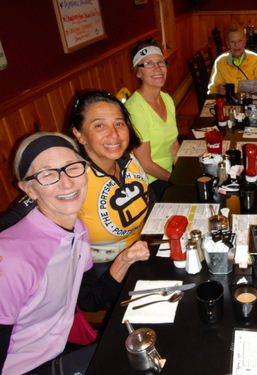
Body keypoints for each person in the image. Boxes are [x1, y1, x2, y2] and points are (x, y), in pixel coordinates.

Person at [0, 132, 149, 374]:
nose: (67, 182)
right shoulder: (12, 259)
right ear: (29, 189)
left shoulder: (77, 230)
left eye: (72, 167)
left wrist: (124, 259)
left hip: (56, 351)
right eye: (47, 174)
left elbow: (89, 300)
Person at [69, 90, 152, 275]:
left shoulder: (130, 162)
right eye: (99, 125)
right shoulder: (73, 181)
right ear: (79, 134)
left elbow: (149, 198)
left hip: (143, 250)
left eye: (119, 123)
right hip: (105, 271)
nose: (114, 134)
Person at [125, 37, 180, 200]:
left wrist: (186, 172)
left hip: (168, 173)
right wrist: (176, 180)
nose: (157, 68)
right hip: (148, 181)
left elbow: (174, 147)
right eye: (148, 63)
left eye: (161, 62)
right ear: (137, 72)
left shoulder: (167, 99)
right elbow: (146, 164)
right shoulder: (135, 109)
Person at [207, 24, 257, 97]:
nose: (236, 45)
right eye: (232, 42)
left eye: (240, 41)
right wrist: (217, 89)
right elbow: (211, 87)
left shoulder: (255, 58)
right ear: (227, 44)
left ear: (245, 42)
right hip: (229, 101)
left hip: (250, 100)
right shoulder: (220, 61)